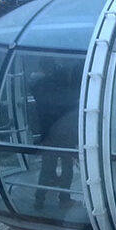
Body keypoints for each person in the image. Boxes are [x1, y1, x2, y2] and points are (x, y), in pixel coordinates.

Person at [32, 59, 80, 210]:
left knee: (46, 168)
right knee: (67, 166)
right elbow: (70, 108)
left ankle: (39, 199)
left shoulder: (39, 87)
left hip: (48, 135)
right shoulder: (62, 89)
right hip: (64, 134)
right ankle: (64, 199)